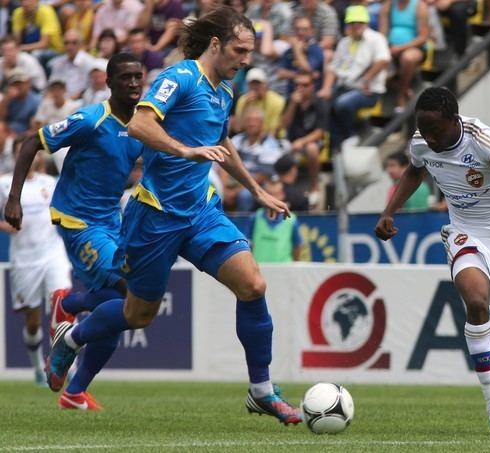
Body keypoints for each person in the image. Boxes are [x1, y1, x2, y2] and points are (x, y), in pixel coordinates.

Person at [39, 6, 301, 424]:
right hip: (155, 215)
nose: (246, 60)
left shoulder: (225, 90)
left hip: (200, 211)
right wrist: (184, 150)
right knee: (136, 315)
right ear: (216, 45)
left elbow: (221, 142)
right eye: (240, 50)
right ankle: (72, 336)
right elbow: (141, 126)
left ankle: (262, 390)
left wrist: (257, 190)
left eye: (249, 52)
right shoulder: (178, 78)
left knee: (252, 285)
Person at [375, 87, 490, 434]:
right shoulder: (422, 141)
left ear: (455, 120)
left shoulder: (483, 140)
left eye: (435, 129)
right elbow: (414, 170)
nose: (430, 137)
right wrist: (389, 211)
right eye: (423, 129)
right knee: (477, 300)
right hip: (468, 235)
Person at [4, 53, 145, 411]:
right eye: (125, 77)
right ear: (109, 83)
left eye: (138, 77)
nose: (133, 83)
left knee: (118, 316)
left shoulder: (143, 127)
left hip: (112, 223)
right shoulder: (91, 119)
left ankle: (74, 391)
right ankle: (69, 304)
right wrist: (14, 199)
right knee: (128, 290)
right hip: (78, 221)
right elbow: (32, 142)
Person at [0, 136, 71, 385]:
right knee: (32, 322)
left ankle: (63, 365)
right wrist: (4, 225)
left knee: (63, 304)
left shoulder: (49, 183)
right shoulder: (4, 183)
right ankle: (38, 368)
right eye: (22, 154)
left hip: (53, 253)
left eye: (30, 154)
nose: (28, 158)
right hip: (24, 260)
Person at [317, 5, 390, 150]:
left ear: (366, 23)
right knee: (321, 102)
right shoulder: (345, 42)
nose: (356, 25)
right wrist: (326, 88)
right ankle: (339, 140)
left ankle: (350, 135)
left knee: (343, 103)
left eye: (359, 22)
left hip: (368, 90)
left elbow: (383, 60)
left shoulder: (376, 38)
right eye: (352, 23)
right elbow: (333, 68)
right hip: (345, 86)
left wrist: (367, 79)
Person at [282, 70, 328, 208]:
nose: (300, 88)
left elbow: (320, 132)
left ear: (312, 86)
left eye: (305, 85)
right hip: (290, 142)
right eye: (297, 85)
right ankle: (282, 191)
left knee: (312, 149)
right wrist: (293, 105)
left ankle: (314, 187)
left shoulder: (321, 104)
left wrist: (302, 142)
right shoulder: (290, 101)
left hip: (311, 142)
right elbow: (284, 125)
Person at [247, 179, 303, 263]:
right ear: (263, 197)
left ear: (282, 195)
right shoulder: (255, 217)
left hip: (284, 270)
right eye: (269, 194)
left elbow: (297, 246)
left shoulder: (292, 219)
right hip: (259, 269)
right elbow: (248, 244)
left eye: (276, 194)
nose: (273, 198)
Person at [0, 68, 41, 134]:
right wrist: (6, 100)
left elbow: (35, 128)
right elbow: (1, 119)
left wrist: (18, 137)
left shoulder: (36, 100)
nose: (18, 86)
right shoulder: (8, 98)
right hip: (7, 133)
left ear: (28, 84)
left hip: (24, 136)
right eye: (15, 84)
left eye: (20, 83)